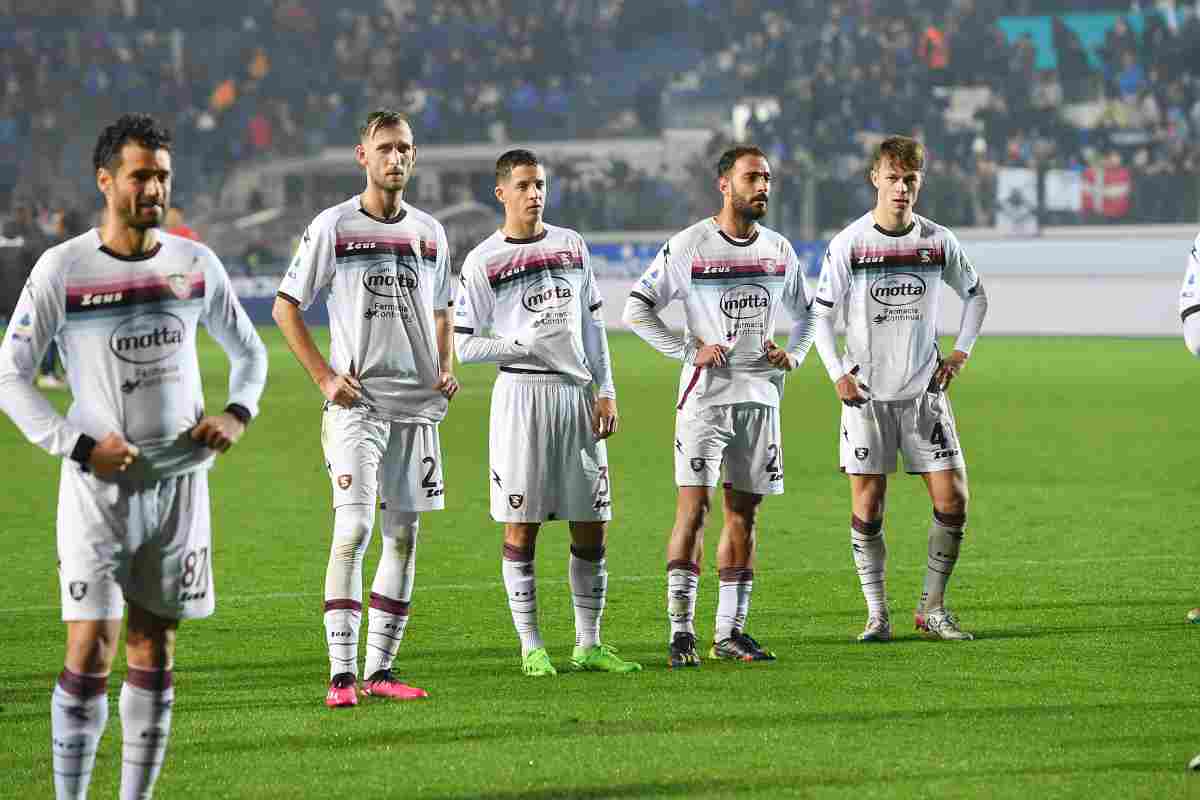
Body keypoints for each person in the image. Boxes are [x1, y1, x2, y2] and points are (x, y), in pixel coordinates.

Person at [0, 113, 268, 800]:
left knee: (156, 646)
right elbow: (10, 375)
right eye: (140, 175)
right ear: (105, 180)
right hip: (98, 494)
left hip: (180, 487)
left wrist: (237, 413)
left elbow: (250, 352)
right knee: (91, 648)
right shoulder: (64, 268)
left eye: (163, 176)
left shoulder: (193, 263)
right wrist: (79, 446)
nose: (153, 188)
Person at [272, 110, 457, 707]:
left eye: (404, 148)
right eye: (384, 148)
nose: (395, 158)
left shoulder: (430, 231)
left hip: (418, 411)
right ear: (362, 155)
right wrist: (324, 376)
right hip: (359, 407)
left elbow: (443, 308)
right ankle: (342, 674)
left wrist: (445, 367)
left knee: (403, 538)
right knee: (353, 528)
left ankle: (381, 670)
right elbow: (285, 306)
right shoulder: (334, 226)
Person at [622, 145, 815, 668]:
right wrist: (688, 350)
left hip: (760, 400)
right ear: (724, 185)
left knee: (745, 516)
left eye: (768, 178)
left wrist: (791, 355)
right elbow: (635, 308)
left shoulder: (779, 250)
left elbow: (809, 314)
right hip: (706, 402)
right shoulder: (689, 246)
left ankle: (730, 632)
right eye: (753, 177)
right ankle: (681, 632)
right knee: (695, 510)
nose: (764, 186)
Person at [454, 149, 641, 677]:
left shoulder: (570, 245)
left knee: (592, 524)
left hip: (577, 397)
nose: (535, 193)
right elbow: (465, 347)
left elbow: (594, 326)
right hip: (522, 399)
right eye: (524, 185)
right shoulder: (482, 261)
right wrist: (522, 342)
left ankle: (588, 644)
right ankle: (531, 646)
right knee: (522, 526)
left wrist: (607, 391)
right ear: (502, 193)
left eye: (540, 184)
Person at [809, 134, 989, 643]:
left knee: (953, 499)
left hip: (923, 394)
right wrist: (836, 373)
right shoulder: (850, 243)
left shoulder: (937, 241)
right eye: (892, 178)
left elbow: (976, 298)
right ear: (875, 179)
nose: (902, 188)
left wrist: (960, 353)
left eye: (910, 179)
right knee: (869, 507)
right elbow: (821, 315)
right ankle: (877, 614)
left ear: (919, 182)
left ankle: (932, 608)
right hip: (866, 397)